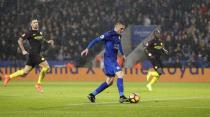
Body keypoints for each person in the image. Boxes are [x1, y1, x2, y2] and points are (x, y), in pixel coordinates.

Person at [81, 22, 129, 103]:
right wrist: (87, 48)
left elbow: (119, 44)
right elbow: (96, 40)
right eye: (121, 28)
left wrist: (123, 54)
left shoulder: (118, 36)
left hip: (113, 59)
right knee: (120, 74)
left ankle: (92, 95)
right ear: (117, 27)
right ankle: (121, 96)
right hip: (109, 59)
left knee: (109, 81)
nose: (123, 30)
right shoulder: (108, 34)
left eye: (123, 29)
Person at [3, 19, 54, 93]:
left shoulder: (40, 32)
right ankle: (38, 84)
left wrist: (48, 42)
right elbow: (19, 40)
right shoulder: (29, 33)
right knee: (46, 67)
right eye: (34, 23)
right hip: (34, 54)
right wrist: (23, 50)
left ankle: (9, 77)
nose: (36, 23)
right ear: (31, 25)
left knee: (24, 73)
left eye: (36, 22)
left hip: (33, 56)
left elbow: (42, 39)